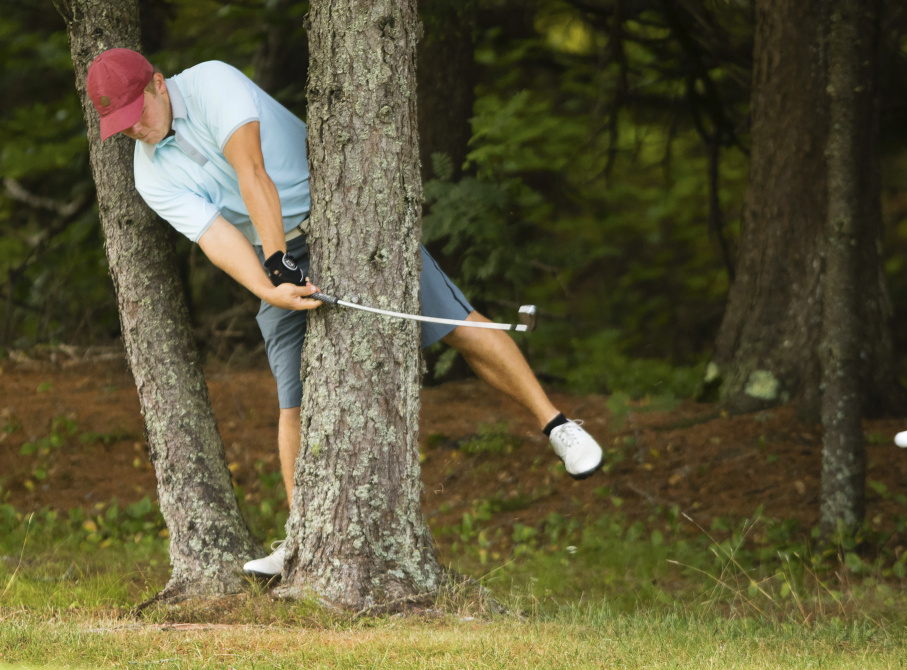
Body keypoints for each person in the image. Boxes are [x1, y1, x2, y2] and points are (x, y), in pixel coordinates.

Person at [85, 48, 604, 576]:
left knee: (457, 326)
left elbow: (253, 173)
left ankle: (558, 425)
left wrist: (276, 259)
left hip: (342, 218)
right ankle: (304, 537)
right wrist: (271, 288)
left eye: (136, 115)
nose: (133, 132)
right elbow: (217, 240)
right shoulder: (149, 175)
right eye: (119, 126)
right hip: (275, 259)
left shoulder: (212, 84)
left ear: (156, 83)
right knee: (293, 402)